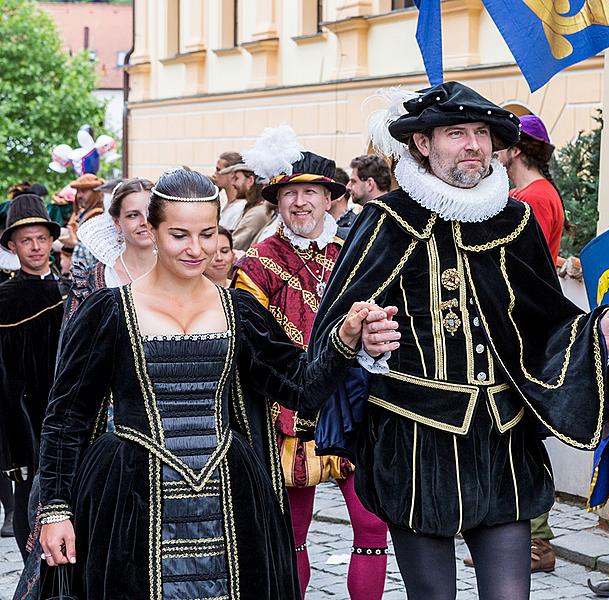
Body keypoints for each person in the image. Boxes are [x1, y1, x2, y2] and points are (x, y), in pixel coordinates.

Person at [311, 81, 609, 600]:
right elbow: (333, 329)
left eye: (481, 133)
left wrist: (598, 333)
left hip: (500, 438)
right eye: (457, 133)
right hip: (414, 440)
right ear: (423, 144)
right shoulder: (387, 221)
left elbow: (547, 320)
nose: (474, 144)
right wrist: (360, 338)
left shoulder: (514, 220)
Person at [35, 168, 398, 599]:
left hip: (231, 494)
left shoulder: (239, 311)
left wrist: (346, 339)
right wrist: (55, 509)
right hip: (130, 501)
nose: (196, 249)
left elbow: (300, 388)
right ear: (151, 230)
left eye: (207, 234)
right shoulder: (108, 311)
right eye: (179, 235)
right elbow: (66, 417)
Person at [232, 138, 390, 600]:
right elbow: (253, 346)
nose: (300, 202)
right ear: (277, 201)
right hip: (288, 413)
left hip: (357, 405)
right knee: (292, 531)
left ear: (329, 198)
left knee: (371, 524)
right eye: (289, 193)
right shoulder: (258, 263)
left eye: (311, 192)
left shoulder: (355, 252)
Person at [493, 112, 565, 572]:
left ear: (516, 149)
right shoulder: (527, 194)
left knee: (519, 438)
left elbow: (522, 268)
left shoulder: (533, 199)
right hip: (516, 326)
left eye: (498, 143)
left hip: (522, 330)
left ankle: (537, 543)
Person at [0, 195, 67, 559]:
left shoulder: (68, 290)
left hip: (66, 410)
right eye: (26, 240)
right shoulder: (5, 299)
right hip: (24, 416)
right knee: (29, 495)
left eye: (41, 238)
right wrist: (9, 440)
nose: (36, 247)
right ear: (13, 245)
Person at [66, 178, 156, 318]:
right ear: (117, 222)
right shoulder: (91, 282)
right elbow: (74, 337)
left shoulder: (179, 273)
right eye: (133, 215)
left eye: (150, 213)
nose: (144, 222)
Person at [496, 114, 565, 264]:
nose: (496, 151)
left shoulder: (537, 197)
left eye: (501, 145)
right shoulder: (516, 194)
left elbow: (528, 261)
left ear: (515, 150)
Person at [228, 161, 275, 251]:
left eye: (236, 178)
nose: (233, 184)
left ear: (250, 180)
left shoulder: (257, 213)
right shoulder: (254, 209)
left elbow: (234, 245)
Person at [67, 173, 106, 268]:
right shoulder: (83, 212)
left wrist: (74, 242)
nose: (79, 196)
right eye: (78, 191)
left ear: (96, 192)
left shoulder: (98, 216)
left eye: (83, 191)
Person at [215, 151, 245, 230]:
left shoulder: (240, 207)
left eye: (218, 170)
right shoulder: (225, 206)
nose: (214, 175)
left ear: (232, 174)